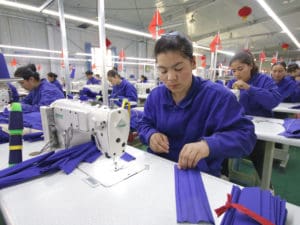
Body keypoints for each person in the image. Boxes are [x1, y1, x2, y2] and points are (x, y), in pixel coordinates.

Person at [137, 31, 256, 177]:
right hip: (160, 168)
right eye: (163, 70)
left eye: (178, 68)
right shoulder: (155, 96)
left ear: (193, 63)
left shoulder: (218, 97)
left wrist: (208, 145)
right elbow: (144, 124)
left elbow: (245, 136)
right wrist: (150, 135)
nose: (171, 77)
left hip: (200, 175)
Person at [226, 51, 281, 182]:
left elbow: (274, 100)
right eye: (234, 71)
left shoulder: (264, 80)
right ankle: (224, 175)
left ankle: (266, 184)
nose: (237, 74)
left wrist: (249, 88)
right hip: (240, 124)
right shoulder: (232, 83)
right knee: (219, 139)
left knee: (258, 150)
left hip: (261, 126)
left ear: (250, 65)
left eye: (240, 69)